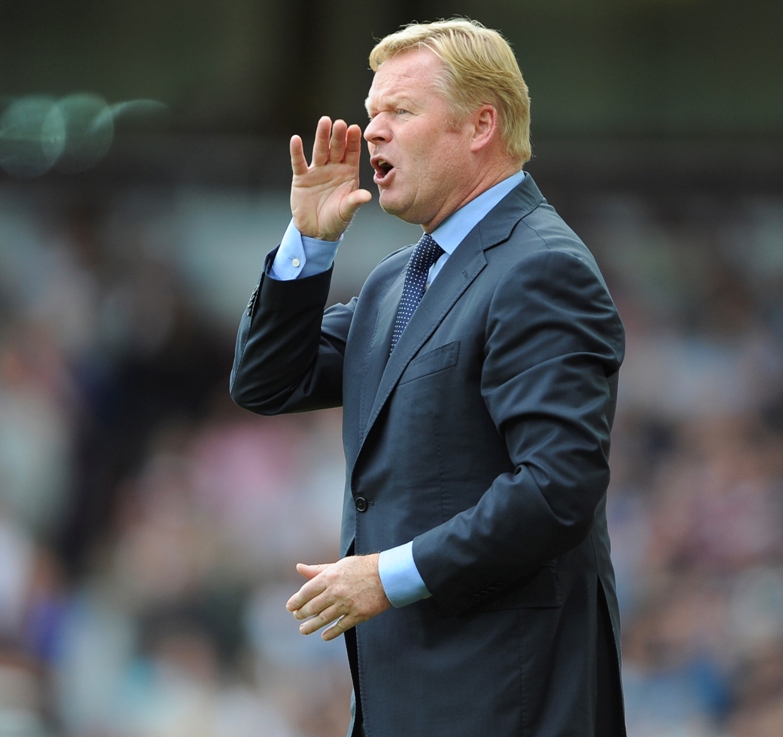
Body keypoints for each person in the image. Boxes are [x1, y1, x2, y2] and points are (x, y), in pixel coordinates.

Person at [231, 18, 626, 737]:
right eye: (370, 113)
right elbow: (266, 381)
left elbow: (557, 488)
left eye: (399, 113)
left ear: (481, 125)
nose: (371, 132)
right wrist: (310, 244)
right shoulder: (397, 282)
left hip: (506, 700)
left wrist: (388, 575)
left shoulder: (541, 267)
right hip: (410, 698)